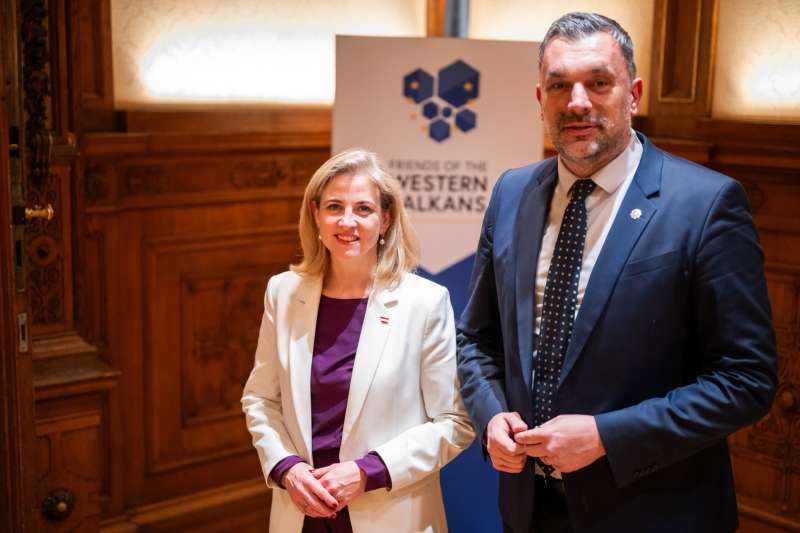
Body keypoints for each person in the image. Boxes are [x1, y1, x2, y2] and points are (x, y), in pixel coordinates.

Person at [456, 12, 777, 533]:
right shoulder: (511, 193)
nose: (577, 101)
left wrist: (608, 436)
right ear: (540, 99)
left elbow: (746, 380)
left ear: (634, 95)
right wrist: (490, 414)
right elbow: (476, 339)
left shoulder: (706, 204)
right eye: (559, 85)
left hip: (653, 513)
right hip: (528, 509)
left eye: (599, 82)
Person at [242, 148, 474, 533]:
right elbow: (261, 399)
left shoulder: (424, 302)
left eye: (363, 209)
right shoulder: (282, 293)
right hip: (301, 512)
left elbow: (453, 422)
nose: (347, 221)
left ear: (385, 219)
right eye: (335, 206)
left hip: (389, 515)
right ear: (315, 214)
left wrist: (368, 471)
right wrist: (287, 468)